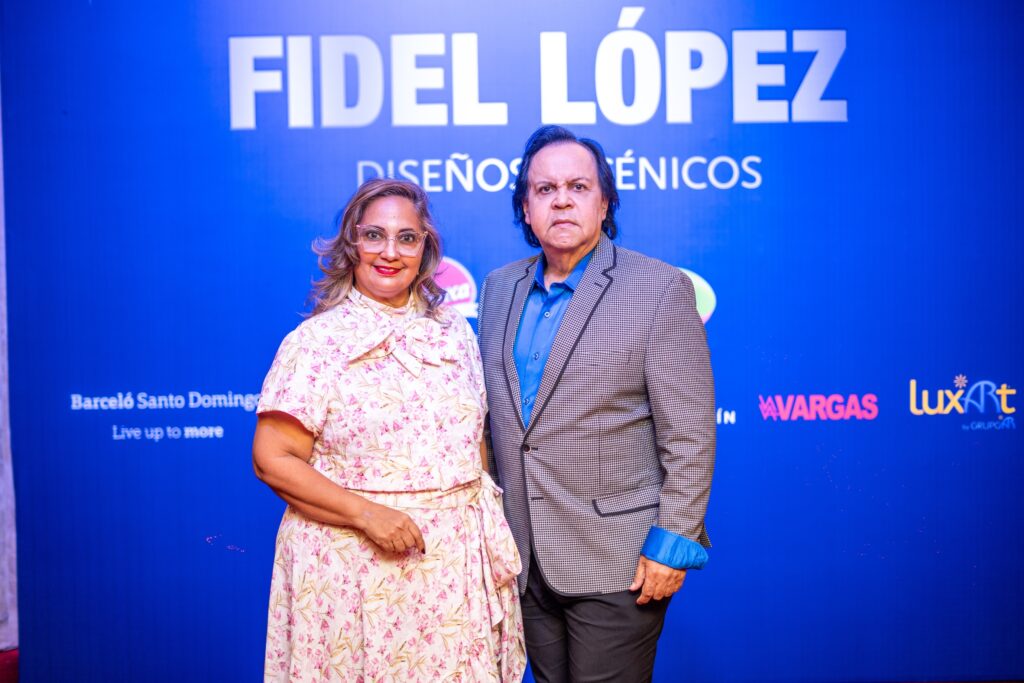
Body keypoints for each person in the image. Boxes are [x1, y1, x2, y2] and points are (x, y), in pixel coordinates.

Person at [252, 178, 526, 682]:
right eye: (374, 235)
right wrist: (367, 514)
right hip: (353, 569)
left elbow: (474, 445)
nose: (390, 252)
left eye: (407, 237)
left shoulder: (454, 332)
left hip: (453, 572)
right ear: (352, 243)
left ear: (425, 248)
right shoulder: (316, 342)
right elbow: (273, 459)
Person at [477, 126, 715, 683]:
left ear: (604, 203)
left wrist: (673, 545)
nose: (561, 200)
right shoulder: (499, 289)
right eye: (545, 189)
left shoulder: (658, 288)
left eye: (578, 187)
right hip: (525, 560)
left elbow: (690, 433)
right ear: (526, 209)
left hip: (620, 560)